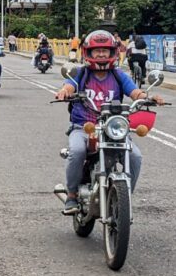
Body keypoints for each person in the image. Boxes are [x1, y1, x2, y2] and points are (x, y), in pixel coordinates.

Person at [54, 30, 164, 214]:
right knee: (77, 151)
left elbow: (135, 92)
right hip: (83, 127)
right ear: (88, 52)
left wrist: (148, 97)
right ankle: (72, 195)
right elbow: (69, 84)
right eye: (97, 51)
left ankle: (125, 197)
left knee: (135, 156)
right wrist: (64, 91)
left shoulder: (118, 75)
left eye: (105, 50)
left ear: (113, 52)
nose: (102, 54)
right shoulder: (82, 73)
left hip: (111, 128)